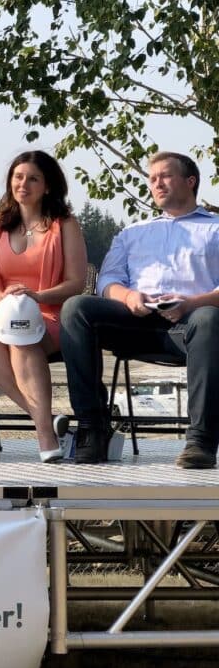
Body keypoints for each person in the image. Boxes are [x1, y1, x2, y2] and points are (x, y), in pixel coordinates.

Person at [61, 151, 219, 468]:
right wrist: (128, 295)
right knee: (76, 308)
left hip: (191, 325)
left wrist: (192, 302)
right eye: (152, 178)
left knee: (209, 318)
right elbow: (109, 279)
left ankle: (200, 441)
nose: (156, 183)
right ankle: (93, 427)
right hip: (134, 321)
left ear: (190, 181)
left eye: (165, 175)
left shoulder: (215, 228)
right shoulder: (133, 232)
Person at [0, 151, 88, 462]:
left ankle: (45, 435)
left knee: (22, 338)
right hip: (5, 314)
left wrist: (36, 295)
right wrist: (0, 297)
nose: (23, 184)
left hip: (52, 316)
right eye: (18, 177)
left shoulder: (65, 225)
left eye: (33, 178)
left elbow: (77, 282)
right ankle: (45, 420)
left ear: (47, 186)